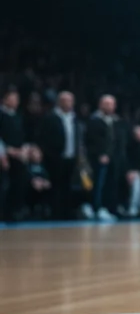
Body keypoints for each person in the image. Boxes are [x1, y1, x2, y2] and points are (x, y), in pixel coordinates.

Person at [36, 91, 79, 220]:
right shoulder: (50, 117)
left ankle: (67, 213)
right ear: (59, 102)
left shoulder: (74, 118)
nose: (69, 103)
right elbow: (43, 138)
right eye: (66, 100)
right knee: (56, 187)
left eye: (71, 101)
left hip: (71, 157)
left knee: (68, 186)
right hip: (54, 158)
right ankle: (55, 213)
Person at [85, 94, 119, 222]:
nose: (110, 106)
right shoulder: (94, 120)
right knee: (98, 184)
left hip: (112, 158)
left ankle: (108, 208)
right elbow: (91, 141)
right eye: (107, 103)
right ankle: (97, 208)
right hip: (98, 158)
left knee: (110, 184)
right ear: (100, 105)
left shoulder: (115, 121)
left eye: (112, 104)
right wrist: (100, 154)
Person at [0, 89, 28, 222]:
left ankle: (14, 213)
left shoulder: (18, 115)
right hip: (4, 155)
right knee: (4, 186)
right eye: (13, 98)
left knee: (18, 185)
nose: (16, 101)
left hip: (18, 155)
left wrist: (23, 149)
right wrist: (5, 152)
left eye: (17, 98)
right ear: (5, 100)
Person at [125, 126, 140, 217]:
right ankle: (133, 208)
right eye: (138, 134)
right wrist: (129, 171)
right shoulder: (130, 146)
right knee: (136, 189)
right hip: (134, 172)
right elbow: (128, 160)